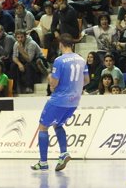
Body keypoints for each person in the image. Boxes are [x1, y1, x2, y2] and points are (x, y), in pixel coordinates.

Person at [31, 34, 88, 171]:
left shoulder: (59, 60)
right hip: (74, 101)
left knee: (43, 127)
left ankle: (43, 162)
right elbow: (86, 81)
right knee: (58, 125)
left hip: (59, 100)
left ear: (61, 44)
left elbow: (54, 83)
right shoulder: (81, 60)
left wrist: (50, 77)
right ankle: (63, 153)